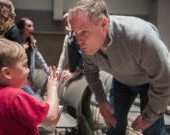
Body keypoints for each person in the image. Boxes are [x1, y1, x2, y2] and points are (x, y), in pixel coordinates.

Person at [68, 0, 170, 134]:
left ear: (103, 24)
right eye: (76, 33)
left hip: (150, 83)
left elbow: (165, 80)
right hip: (121, 81)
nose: (79, 41)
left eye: (84, 32)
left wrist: (149, 116)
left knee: (152, 129)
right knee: (114, 125)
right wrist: (102, 100)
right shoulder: (87, 45)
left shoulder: (140, 37)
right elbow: (90, 71)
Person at [0, 37, 60, 135]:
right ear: (7, 73)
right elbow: (50, 117)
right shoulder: (14, 96)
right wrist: (52, 87)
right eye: (25, 65)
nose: (29, 70)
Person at [16, 18, 49, 90]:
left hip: (29, 77)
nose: (32, 28)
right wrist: (21, 49)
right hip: (18, 78)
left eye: (33, 26)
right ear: (22, 28)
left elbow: (38, 57)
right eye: (29, 26)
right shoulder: (15, 42)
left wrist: (47, 70)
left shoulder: (31, 42)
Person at [57, 12, 83, 83]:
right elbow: (64, 55)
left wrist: (77, 72)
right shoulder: (68, 36)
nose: (66, 25)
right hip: (73, 70)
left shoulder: (79, 34)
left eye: (68, 21)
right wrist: (58, 70)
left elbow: (85, 54)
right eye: (65, 23)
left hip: (83, 72)